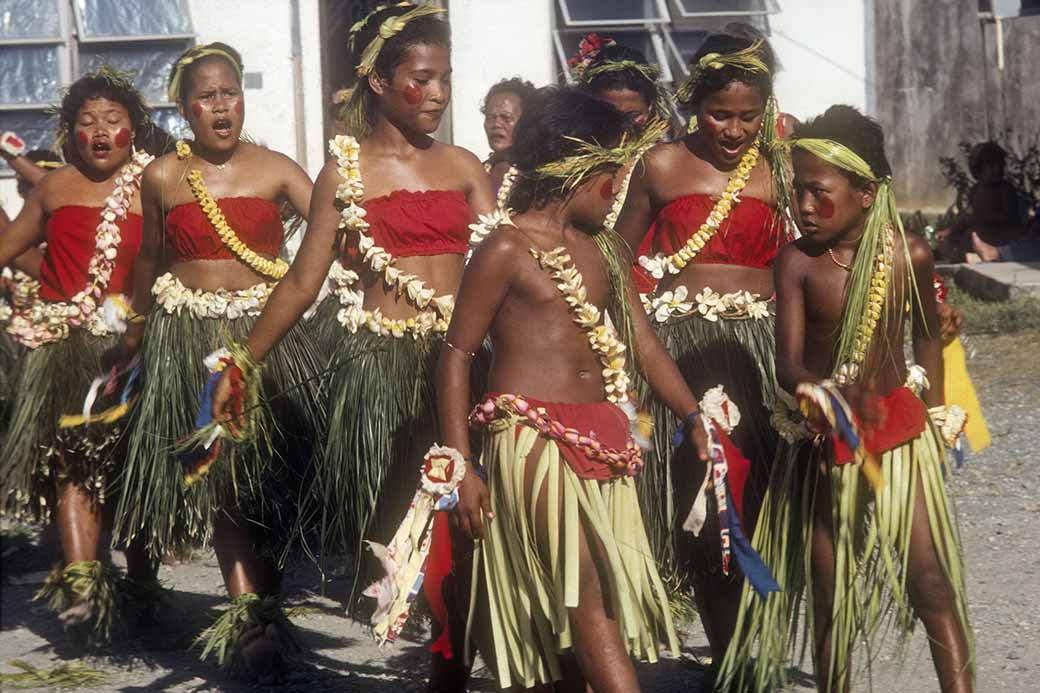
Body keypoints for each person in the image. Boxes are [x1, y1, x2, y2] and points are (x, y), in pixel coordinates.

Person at [208, 5, 494, 688]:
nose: (438, 93)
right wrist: (243, 360)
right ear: (380, 83)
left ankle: (453, 667)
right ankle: (438, 652)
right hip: (382, 376)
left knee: (471, 528)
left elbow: (504, 261)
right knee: (412, 526)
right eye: (421, 80)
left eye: (445, 79)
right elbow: (304, 279)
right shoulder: (347, 172)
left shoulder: (463, 165)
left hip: (465, 368)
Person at [439, 85, 709, 692]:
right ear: (575, 169)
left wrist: (692, 415)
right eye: (611, 174)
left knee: (578, 608)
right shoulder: (506, 247)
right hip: (533, 442)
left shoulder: (606, 251)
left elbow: (642, 345)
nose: (619, 189)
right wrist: (461, 466)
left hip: (603, 439)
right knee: (589, 599)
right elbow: (456, 355)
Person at [720, 105, 973, 693]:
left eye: (817, 192)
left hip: (897, 436)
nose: (803, 206)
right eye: (796, 193)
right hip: (822, 439)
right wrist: (816, 392)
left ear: (864, 192)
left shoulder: (905, 253)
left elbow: (927, 339)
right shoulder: (797, 263)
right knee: (829, 589)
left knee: (930, 581)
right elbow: (788, 360)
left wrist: (933, 420)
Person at [102, 42, 322, 680]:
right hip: (189, 345)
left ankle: (267, 601)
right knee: (223, 481)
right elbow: (147, 261)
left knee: (272, 482)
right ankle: (247, 616)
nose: (220, 106)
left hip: (268, 340)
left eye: (229, 92)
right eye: (206, 95)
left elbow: (338, 230)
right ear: (184, 107)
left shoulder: (279, 169)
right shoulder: (164, 176)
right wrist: (134, 336)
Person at [613, 27, 792, 665]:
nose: (735, 130)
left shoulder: (782, 163)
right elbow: (616, 260)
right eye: (720, 113)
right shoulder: (660, 165)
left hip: (764, 354)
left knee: (763, 498)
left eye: (749, 116)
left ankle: (757, 644)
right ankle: (726, 654)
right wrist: (633, 347)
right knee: (707, 502)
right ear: (693, 102)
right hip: (683, 353)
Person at [0, 67, 169, 644]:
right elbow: (11, 249)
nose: (99, 132)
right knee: (74, 468)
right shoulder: (53, 188)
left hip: (137, 344)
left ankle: (144, 583)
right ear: (70, 133)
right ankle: (84, 592)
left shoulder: (159, 181)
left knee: (137, 466)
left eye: (113, 121)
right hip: (67, 349)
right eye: (86, 122)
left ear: (134, 127)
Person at [481, 77, 534, 193]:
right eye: (490, 117)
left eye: (506, 118)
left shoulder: (537, 176)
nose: (496, 124)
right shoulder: (476, 172)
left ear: (527, 122)